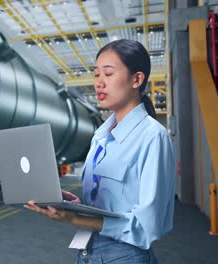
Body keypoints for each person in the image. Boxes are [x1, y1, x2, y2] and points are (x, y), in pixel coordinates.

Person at [24, 39, 175, 264]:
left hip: (125, 256)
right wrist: (75, 206)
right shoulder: (101, 136)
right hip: (88, 250)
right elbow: (108, 204)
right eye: (96, 75)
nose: (99, 83)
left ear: (137, 79)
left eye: (108, 74)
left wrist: (76, 219)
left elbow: (147, 228)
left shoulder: (153, 137)